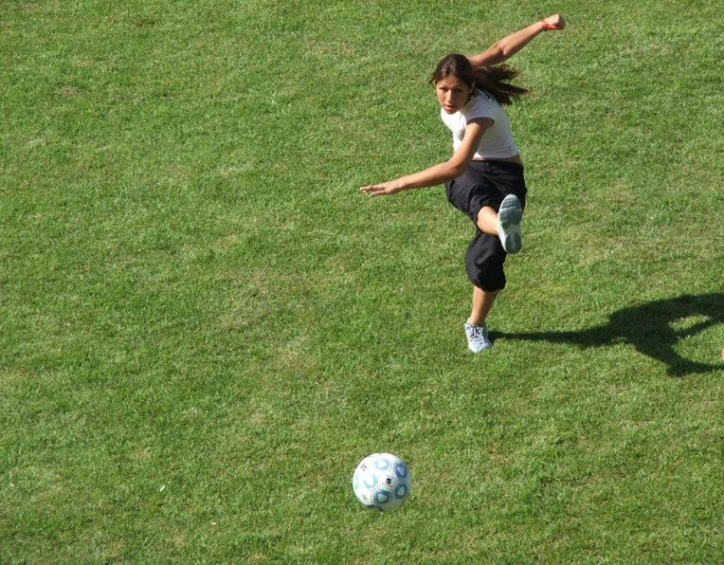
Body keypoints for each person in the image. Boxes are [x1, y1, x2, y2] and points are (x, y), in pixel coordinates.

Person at [360, 14, 566, 353]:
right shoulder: (466, 69)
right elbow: (500, 49)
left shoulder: (480, 112)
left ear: (471, 87)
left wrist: (399, 183)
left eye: (457, 91)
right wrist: (542, 24)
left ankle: (476, 323)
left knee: (484, 262)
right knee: (474, 198)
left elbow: (455, 166)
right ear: (434, 84)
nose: (449, 98)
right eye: (443, 89)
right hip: (471, 174)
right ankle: (503, 226)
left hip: (502, 175)